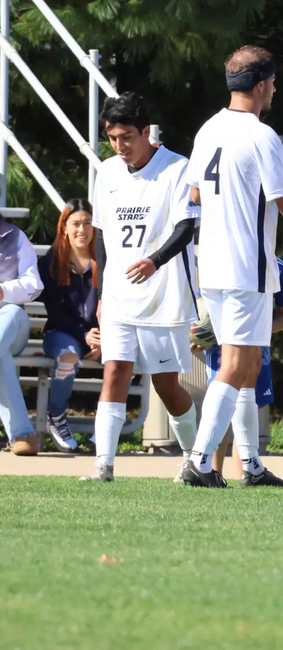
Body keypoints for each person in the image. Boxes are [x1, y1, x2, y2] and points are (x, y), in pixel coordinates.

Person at [183, 45, 283, 488]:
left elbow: (194, 195)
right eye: (273, 82)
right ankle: (199, 459)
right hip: (245, 263)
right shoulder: (261, 135)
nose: (275, 89)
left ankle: (249, 464)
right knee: (235, 363)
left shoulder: (208, 128)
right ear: (262, 83)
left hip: (211, 260)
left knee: (246, 363)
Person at [81, 92, 200, 482]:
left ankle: (193, 461)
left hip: (163, 297)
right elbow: (100, 236)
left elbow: (187, 227)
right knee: (114, 371)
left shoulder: (177, 168)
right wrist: (99, 294)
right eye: (113, 138)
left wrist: (155, 261)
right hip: (118, 296)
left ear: (146, 132)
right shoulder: (108, 172)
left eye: (127, 137)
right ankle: (104, 467)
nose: (120, 147)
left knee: (166, 385)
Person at [207, 256, 283, 477]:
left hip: (257, 348)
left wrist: (258, 330)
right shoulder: (216, 259)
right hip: (219, 348)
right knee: (222, 407)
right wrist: (199, 334)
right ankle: (211, 470)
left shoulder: (278, 267)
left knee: (246, 403)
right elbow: (203, 312)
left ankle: (245, 472)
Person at [38, 198, 100, 453]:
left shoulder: (105, 260)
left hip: (100, 336)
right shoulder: (51, 262)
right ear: (64, 226)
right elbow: (56, 312)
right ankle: (57, 417)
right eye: (75, 223)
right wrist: (86, 336)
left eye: (88, 223)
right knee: (68, 357)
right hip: (60, 333)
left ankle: (105, 428)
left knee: (124, 358)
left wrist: (103, 338)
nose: (82, 230)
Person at [0, 216, 43, 455]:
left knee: (11, 313)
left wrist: (3, 291)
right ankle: (22, 435)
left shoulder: (15, 237)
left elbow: (33, 283)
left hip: (11, 323)